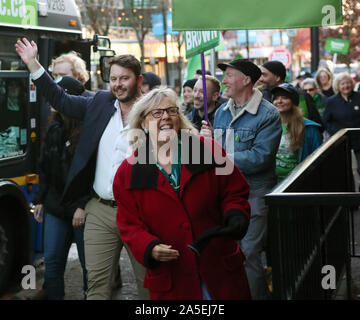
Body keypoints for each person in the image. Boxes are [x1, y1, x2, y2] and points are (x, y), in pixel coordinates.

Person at [15, 38, 149, 300]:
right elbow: (61, 99)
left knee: (147, 282)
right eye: (114, 78)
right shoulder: (99, 102)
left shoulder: (153, 111)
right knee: (96, 285)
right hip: (100, 208)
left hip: (140, 210)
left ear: (139, 80)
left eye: (125, 78)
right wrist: (33, 64)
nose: (118, 84)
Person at [113, 86, 252, 300]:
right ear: (143, 124)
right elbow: (129, 224)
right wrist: (149, 247)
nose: (166, 117)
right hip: (172, 277)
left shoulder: (207, 149)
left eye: (171, 111)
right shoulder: (129, 171)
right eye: (156, 113)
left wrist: (235, 214)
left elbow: (235, 192)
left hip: (218, 267)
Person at [201, 59, 282, 300]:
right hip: (224, 194)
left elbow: (260, 158)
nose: (223, 80)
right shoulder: (222, 112)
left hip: (254, 195)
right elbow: (211, 155)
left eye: (229, 75)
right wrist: (205, 142)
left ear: (246, 80)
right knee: (227, 254)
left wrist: (218, 154)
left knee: (247, 254)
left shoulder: (268, 114)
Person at [32, 76, 88, 300]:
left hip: (83, 210)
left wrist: (83, 206)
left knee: (90, 268)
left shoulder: (88, 129)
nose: (53, 100)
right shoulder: (53, 126)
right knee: (53, 264)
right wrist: (40, 199)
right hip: (56, 206)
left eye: (59, 94)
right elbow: (45, 167)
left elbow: (94, 173)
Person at [271, 83, 322, 182]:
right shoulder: (268, 126)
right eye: (276, 98)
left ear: (294, 102)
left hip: (297, 184)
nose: (279, 101)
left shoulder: (310, 128)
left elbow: (318, 161)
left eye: (285, 98)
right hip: (272, 184)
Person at [260, 60, 323, 127]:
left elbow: (315, 124)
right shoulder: (262, 97)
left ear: (277, 78)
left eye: (264, 75)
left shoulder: (301, 96)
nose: (260, 79)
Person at [323, 72, 360, 178]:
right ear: (338, 86)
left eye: (348, 83)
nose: (346, 86)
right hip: (342, 139)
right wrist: (336, 131)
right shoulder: (331, 101)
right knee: (344, 169)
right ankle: (349, 192)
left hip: (359, 138)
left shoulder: (359, 97)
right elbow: (326, 121)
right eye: (342, 84)